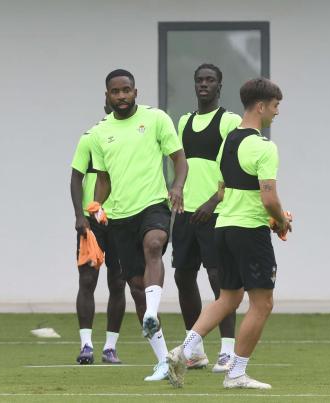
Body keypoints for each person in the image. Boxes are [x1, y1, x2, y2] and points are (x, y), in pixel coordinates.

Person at [167, 78, 289, 390]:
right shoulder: (264, 147)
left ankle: (185, 349)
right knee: (262, 303)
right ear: (261, 106)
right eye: (275, 107)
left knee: (229, 297)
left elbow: (223, 191)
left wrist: (274, 216)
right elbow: (268, 198)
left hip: (224, 228)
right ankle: (236, 373)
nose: (277, 113)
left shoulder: (227, 144)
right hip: (249, 231)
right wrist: (282, 221)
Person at [89, 69, 188, 380]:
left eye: (126, 90)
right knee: (134, 285)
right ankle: (163, 361)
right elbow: (103, 179)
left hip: (154, 204)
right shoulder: (98, 133)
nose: (121, 96)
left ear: (135, 91)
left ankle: (149, 312)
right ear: (107, 96)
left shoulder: (156, 118)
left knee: (154, 244)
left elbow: (179, 158)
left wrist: (177, 186)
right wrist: (96, 208)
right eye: (115, 92)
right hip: (119, 217)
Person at [172, 64, 241, 372]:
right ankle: (195, 349)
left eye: (210, 80)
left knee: (219, 281)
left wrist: (214, 200)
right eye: (199, 79)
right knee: (183, 277)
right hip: (186, 214)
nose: (203, 84)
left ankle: (227, 351)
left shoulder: (229, 121)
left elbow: (236, 168)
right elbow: (181, 166)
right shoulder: (183, 121)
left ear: (220, 85)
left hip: (216, 213)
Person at [70, 100, 126, 365]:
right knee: (87, 281)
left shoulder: (130, 142)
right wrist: (80, 215)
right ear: (107, 105)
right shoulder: (90, 137)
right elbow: (75, 178)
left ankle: (110, 348)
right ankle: (86, 346)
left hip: (123, 219)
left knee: (117, 282)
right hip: (93, 223)